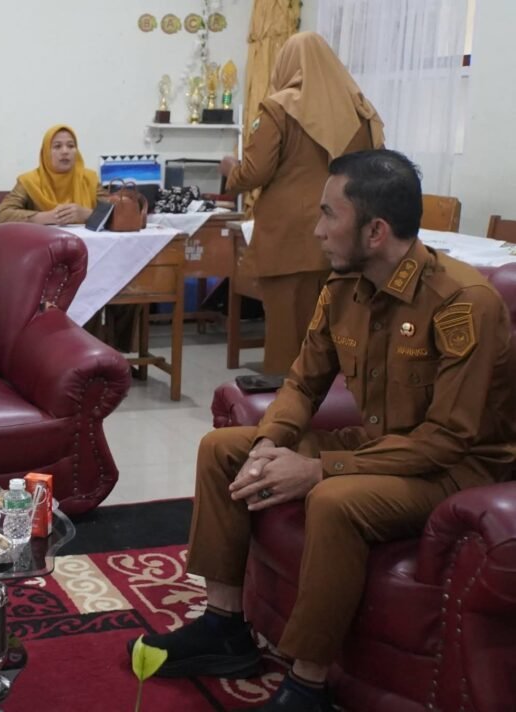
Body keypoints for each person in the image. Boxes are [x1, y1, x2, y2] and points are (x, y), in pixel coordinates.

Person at [132, 150, 516, 711]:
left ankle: (306, 684)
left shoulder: (461, 303)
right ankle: (223, 627)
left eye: (329, 214)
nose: (316, 230)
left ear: (375, 231)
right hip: (382, 446)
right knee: (224, 449)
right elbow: (302, 384)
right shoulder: (343, 288)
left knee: (335, 500)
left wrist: (319, 469)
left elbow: (446, 440)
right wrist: (269, 442)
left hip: (458, 468)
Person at [221, 31, 384, 375]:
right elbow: (377, 167)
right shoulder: (361, 110)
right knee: (340, 335)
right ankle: (339, 403)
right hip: (348, 234)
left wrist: (231, 170)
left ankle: (288, 404)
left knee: (288, 340)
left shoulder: (279, 108)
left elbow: (255, 171)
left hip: (291, 240)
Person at [0, 125, 108, 225]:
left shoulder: (89, 179)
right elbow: (2, 215)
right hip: (41, 241)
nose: (65, 151)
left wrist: (88, 214)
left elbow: (113, 213)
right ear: (46, 153)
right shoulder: (29, 181)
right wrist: (48, 217)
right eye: (57, 146)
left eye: (71, 146)